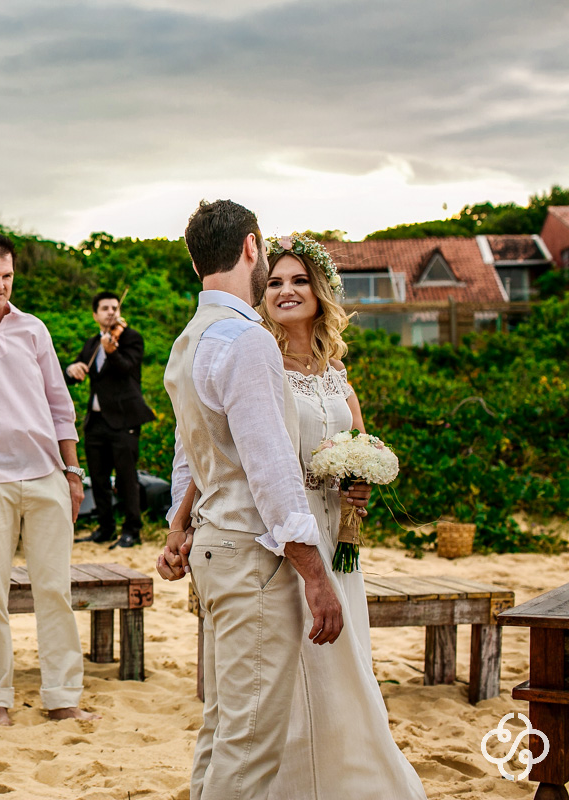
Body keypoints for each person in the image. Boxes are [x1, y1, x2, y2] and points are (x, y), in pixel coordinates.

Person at [156, 200, 343, 799]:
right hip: (249, 557)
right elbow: (271, 470)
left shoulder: (188, 342)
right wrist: (314, 572)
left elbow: (190, 456)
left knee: (222, 726)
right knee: (251, 740)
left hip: (213, 549)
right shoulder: (247, 341)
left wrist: (178, 529)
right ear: (251, 248)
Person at [256, 235, 426, 799]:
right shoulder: (264, 367)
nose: (286, 290)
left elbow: (359, 441)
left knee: (347, 656)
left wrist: (360, 484)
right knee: (305, 660)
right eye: (275, 281)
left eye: (298, 280)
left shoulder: (336, 372)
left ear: (318, 291)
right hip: (292, 531)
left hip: (340, 533)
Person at [0, 234, 98, 727]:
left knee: (54, 590)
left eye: (6, 276)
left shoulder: (34, 329)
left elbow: (60, 403)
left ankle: (62, 695)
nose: (0, 285)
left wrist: (72, 473)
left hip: (47, 474)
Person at [66, 291, 156, 548]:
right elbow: (77, 371)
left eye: (114, 307)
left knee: (127, 478)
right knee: (99, 478)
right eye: (105, 308)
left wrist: (112, 352)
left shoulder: (131, 338)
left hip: (124, 420)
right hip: (96, 421)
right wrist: (71, 370)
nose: (111, 312)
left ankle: (132, 531)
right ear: (95, 314)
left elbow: (128, 368)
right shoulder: (92, 342)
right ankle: (105, 528)